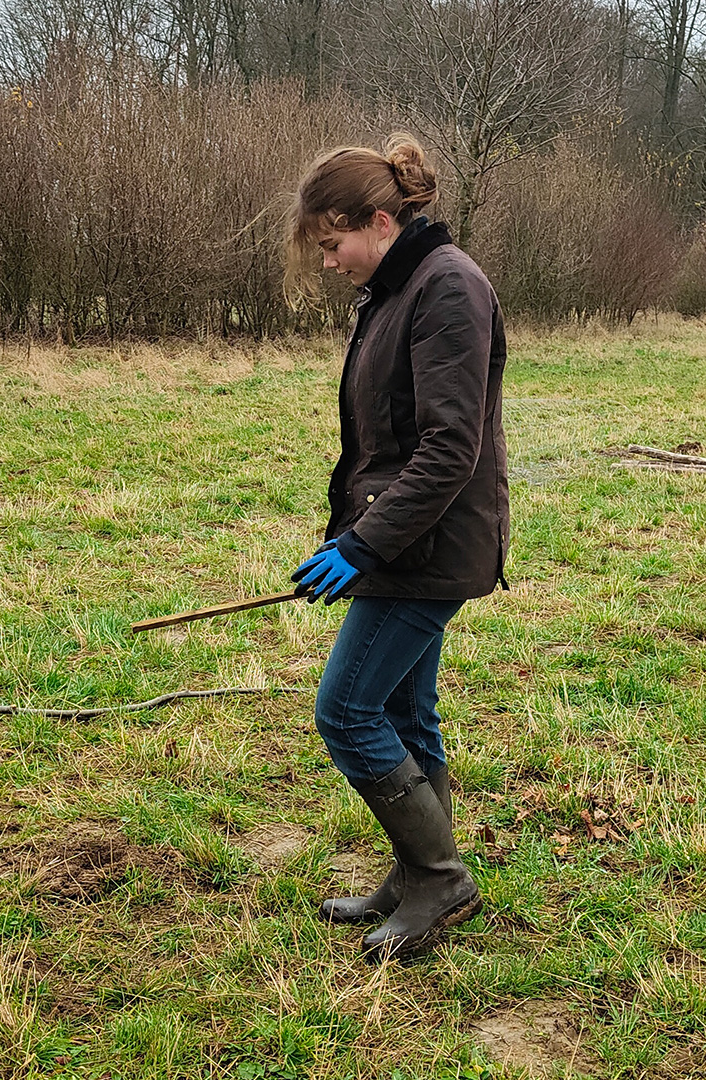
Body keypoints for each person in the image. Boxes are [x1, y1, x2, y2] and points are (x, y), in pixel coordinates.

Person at [283, 135, 509, 963]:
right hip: (397, 540)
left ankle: (440, 876)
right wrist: (351, 537)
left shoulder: (447, 287)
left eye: (334, 243)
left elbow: (449, 448)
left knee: (346, 711)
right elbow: (386, 439)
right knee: (407, 712)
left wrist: (366, 545)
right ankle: (416, 875)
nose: (332, 261)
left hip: (429, 546)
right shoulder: (397, 285)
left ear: (379, 221)